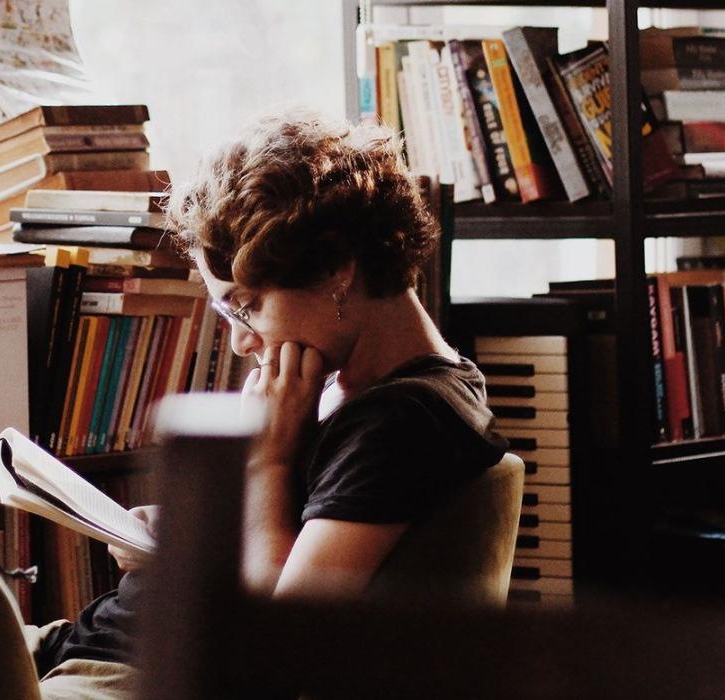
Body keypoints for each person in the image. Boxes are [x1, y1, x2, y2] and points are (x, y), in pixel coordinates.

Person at [29, 106, 511, 699]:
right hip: (84, 646)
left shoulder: (403, 421)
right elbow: (282, 537)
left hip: (124, 676)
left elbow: (282, 644)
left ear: (337, 270)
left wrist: (268, 461)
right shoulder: (347, 388)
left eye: (248, 305)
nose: (239, 340)